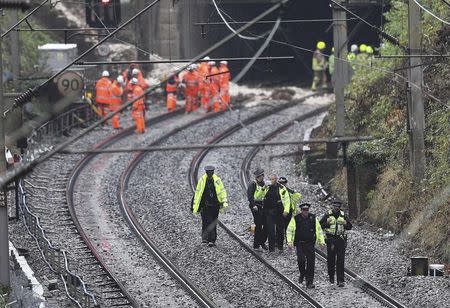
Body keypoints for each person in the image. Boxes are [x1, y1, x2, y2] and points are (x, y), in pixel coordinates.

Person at [287, 203, 325, 288]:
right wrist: (289, 242)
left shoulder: (313, 218)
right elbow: (289, 230)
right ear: (301, 210)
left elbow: (319, 230)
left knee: (311, 263)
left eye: (307, 209)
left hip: (310, 243)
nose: (305, 211)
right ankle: (302, 273)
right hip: (299, 243)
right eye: (304, 210)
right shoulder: (296, 219)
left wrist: (322, 242)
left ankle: (309, 282)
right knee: (301, 260)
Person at [192, 165, 228, 247]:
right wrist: (195, 206)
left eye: (211, 172)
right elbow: (198, 193)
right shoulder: (202, 180)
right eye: (209, 172)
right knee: (206, 222)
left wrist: (224, 202)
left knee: (213, 222)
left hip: (215, 206)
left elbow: (222, 191)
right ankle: (205, 239)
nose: (210, 174)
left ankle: (212, 240)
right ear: (206, 173)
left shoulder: (217, 180)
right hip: (205, 205)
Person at [319, 199, 353, 287]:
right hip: (330, 239)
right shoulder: (327, 214)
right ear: (332, 206)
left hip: (341, 239)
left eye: (338, 207)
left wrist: (345, 223)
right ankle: (331, 278)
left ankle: (340, 280)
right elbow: (319, 226)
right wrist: (326, 223)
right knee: (331, 259)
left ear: (340, 207)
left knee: (341, 260)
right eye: (335, 206)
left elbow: (350, 227)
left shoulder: (343, 215)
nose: (336, 208)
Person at [263, 174, 290, 252]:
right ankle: (271, 249)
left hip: (279, 212)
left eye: (273, 179)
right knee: (271, 231)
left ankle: (280, 246)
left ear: (276, 180)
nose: (271, 181)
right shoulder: (266, 188)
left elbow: (287, 201)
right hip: (269, 212)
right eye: (270, 179)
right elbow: (259, 196)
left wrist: (286, 210)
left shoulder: (282, 188)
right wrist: (263, 189)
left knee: (280, 230)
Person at [247, 168, 268, 250]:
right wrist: (253, 205)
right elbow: (250, 196)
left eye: (262, 176)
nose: (261, 177)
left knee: (266, 225)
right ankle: (256, 245)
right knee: (258, 225)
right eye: (260, 176)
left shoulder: (264, 184)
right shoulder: (253, 184)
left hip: (263, 206)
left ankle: (262, 241)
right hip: (256, 206)